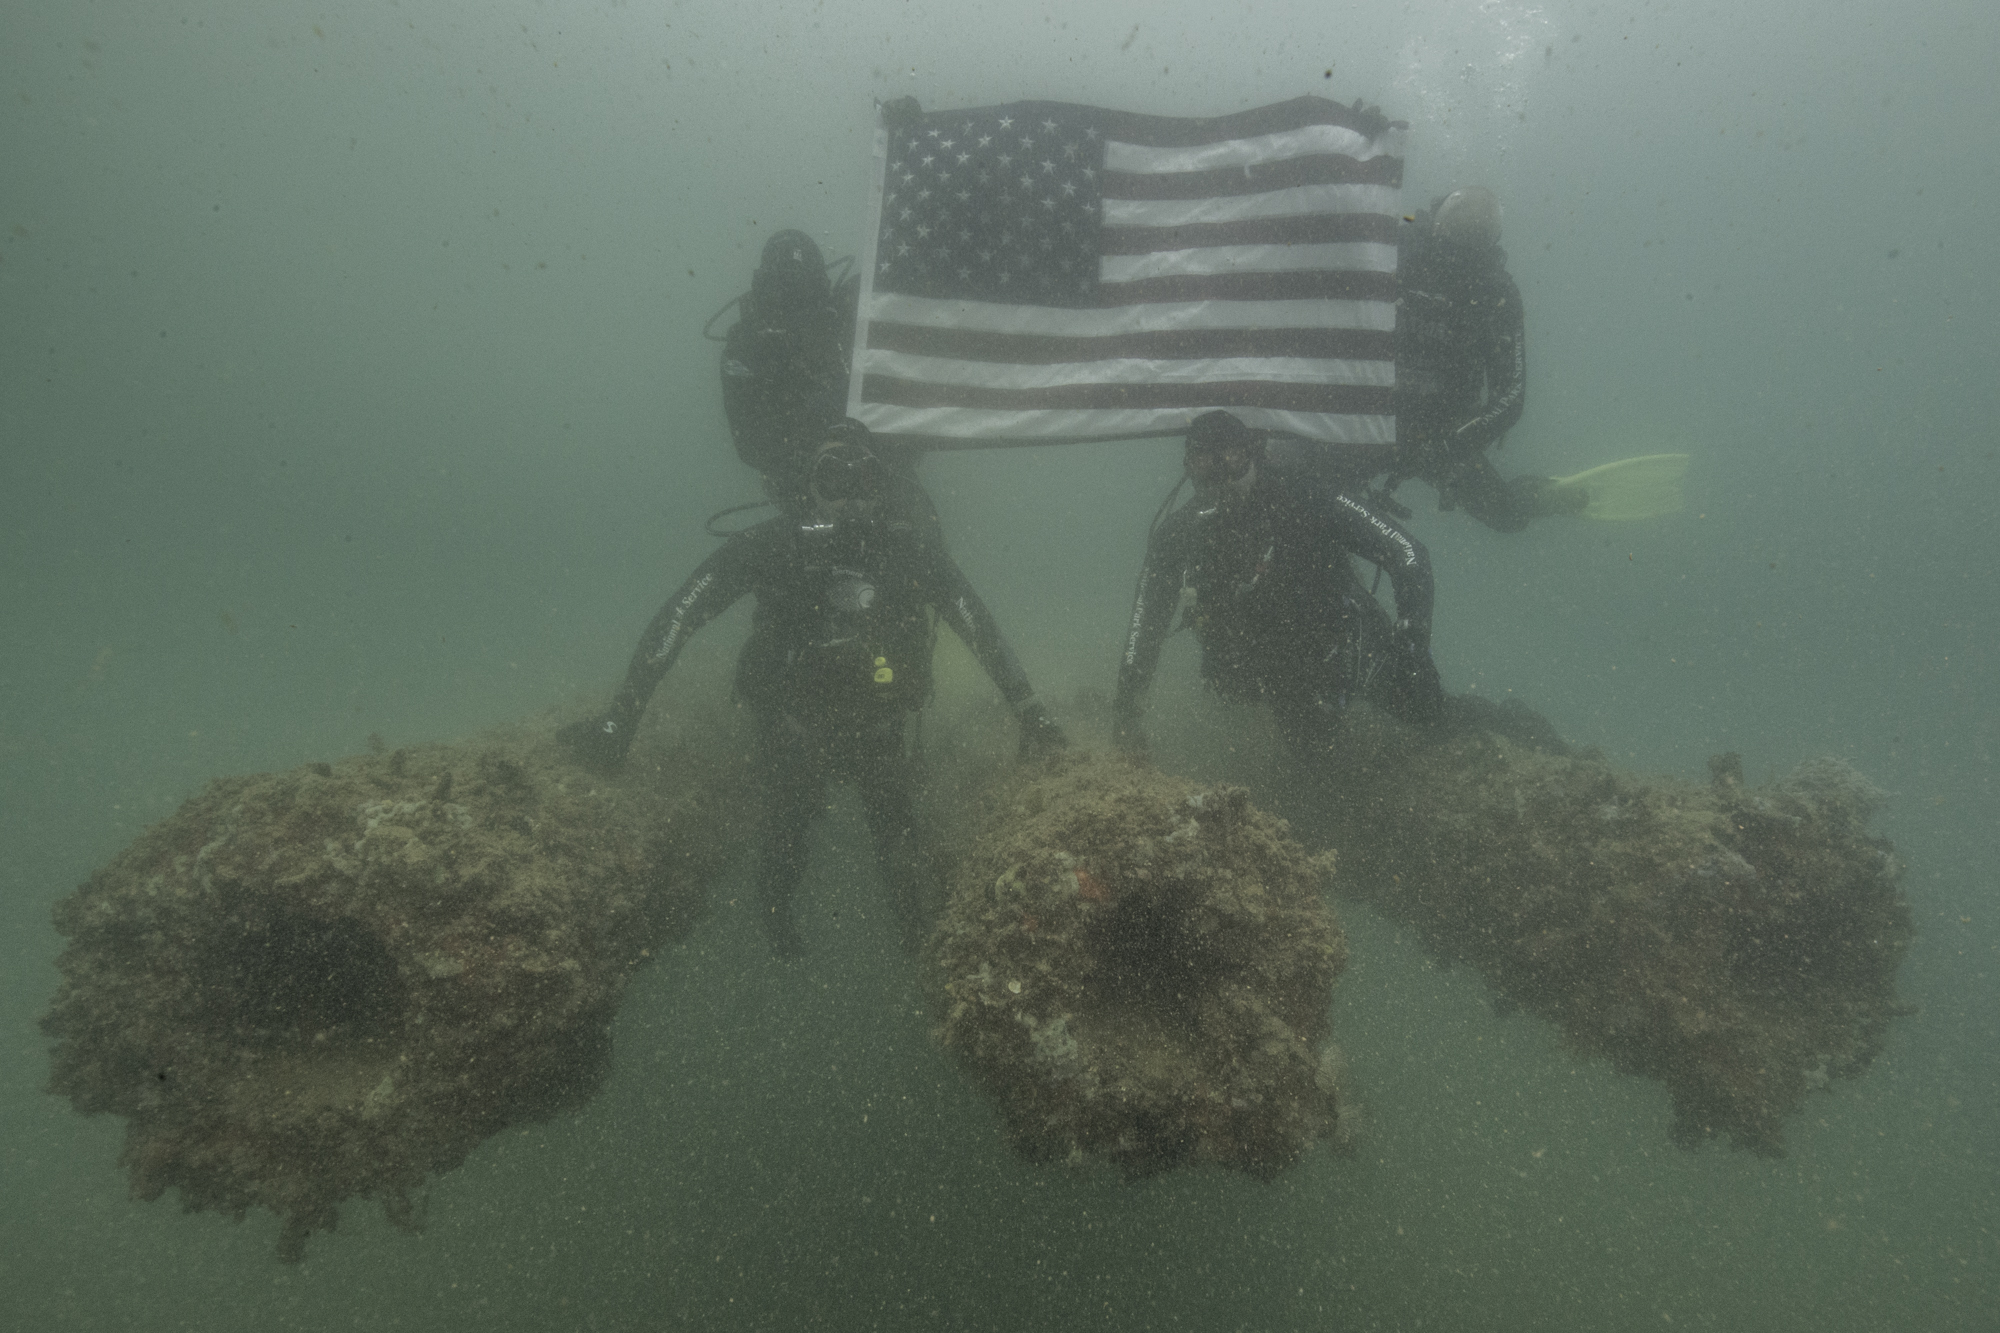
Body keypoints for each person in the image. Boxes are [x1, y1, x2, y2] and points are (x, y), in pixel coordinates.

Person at [560, 419, 1067, 959]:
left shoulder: (910, 552)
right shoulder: (772, 546)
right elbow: (680, 616)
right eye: (833, 479)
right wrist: (620, 722)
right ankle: (781, 926)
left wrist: (1031, 712)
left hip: (878, 722)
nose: (849, 498)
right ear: (808, 488)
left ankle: (920, 947)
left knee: (894, 832)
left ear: (882, 488)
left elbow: (978, 626)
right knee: (789, 824)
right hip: (793, 723)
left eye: (864, 480)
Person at [1110, 411, 1446, 763]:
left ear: (1252, 454)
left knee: (1424, 707)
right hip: (1277, 673)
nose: (1221, 478)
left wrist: (1413, 636)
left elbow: (1407, 552)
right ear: (1188, 467)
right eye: (1204, 463)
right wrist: (1126, 717)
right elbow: (1143, 626)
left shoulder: (1307, 496)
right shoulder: (1178, 535)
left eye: (1232, 459)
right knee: (1318, 764)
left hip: (1346, 642)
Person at [1388, 186, 1586, 533]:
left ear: (1487, 246)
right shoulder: (1397, 244)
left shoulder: (1497, 293)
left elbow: (1511, 398)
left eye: (1469, 244)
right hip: (1363, 416)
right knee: (1302, 495)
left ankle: (1542, 496)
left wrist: (1447, 448)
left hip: (1437, 433)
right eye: (1452, 238)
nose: (1453, 258)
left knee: (1507, 514)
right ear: (1435, 225)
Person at [719, 229, 860, 514]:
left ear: (823, 289)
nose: (794, 305)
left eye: (804, 291)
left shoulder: (854, 326)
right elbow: (750, 444)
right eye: (781, 290)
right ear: (762, 290)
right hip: (797, 493)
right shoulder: (745, 348)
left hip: (874, 477)